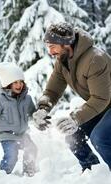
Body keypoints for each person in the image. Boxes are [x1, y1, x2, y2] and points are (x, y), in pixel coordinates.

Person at [33, 22, 111, 172]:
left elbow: (101, 98)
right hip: (101, 106)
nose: (50, 51)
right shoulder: (63, 62)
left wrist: (76, 118)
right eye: (48, 47)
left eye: (53, 46)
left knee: (100, 138)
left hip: (104, 102)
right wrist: (43, 108)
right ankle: (92, 172)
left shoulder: (95, 59)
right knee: (72, 136)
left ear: (66, 44)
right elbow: (52, 91)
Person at [0, 62, 37, 176]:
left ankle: (29, 171)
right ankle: (3, 175)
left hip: (22, 134)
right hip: (7, 135)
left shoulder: (27, 99)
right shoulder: (1, 100)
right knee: (11, 156)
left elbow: (32, 113)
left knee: (32, 149)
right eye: (15, 82)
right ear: (8, 84)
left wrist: (39, 118)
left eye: (20, 81)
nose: (19, 85)